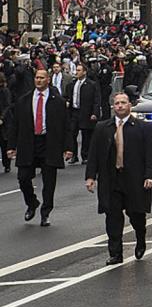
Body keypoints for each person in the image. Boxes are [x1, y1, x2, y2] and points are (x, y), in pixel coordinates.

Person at [85, 92, 152, 265]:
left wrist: (150, 176)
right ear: (113, 106)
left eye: (123, 103)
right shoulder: (103, 127)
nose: (119, 106)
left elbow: (150, 155)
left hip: (135, 179)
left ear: (129, 105)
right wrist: (90, 177)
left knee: (136, 215)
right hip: (111, 179)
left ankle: (140, 238)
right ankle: (115, 253)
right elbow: (93, 153)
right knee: (113, 216)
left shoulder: (143, 127)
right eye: (116, 103)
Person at [6, 69, 72, 226]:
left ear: (48, 80)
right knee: (23, 177)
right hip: (28, 143)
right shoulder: (24, 100)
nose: (39, 80)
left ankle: (46, 212)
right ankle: (32, 203)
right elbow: (15, 125)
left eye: (42, 78)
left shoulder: (58, 101)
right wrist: (11, 146)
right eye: (37, 78)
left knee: (49, 182)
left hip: (49, 143)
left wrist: (68, 147)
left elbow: (66, 126)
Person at [65, 62, 101, 165]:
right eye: (76, 70)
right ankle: (74, 155)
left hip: (86, 112)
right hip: (74, 112)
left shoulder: (91, 85)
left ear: (84, 72)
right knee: (72, 134)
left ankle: (85, 156)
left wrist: (95, 113)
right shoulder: (72, 85)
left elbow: (96, 100)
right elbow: (68, 97)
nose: (77, 72)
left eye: (79, 70)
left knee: (86, 135)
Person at [0, 73, 11, 173]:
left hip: (4, 121)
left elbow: (7, 105)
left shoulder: (5, 91)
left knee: (4, 143)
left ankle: (7, 164)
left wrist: (2, 118)